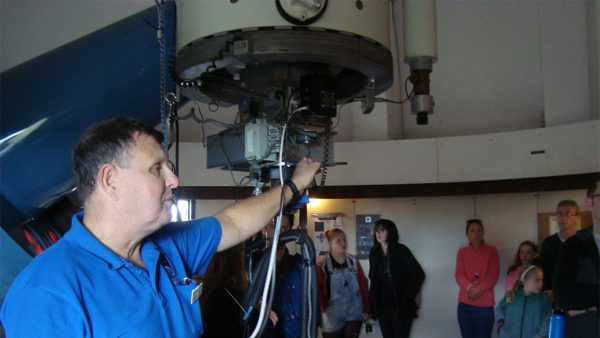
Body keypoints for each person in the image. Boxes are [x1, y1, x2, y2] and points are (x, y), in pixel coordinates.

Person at [0, 117, 320, 337]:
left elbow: (233, 222)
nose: (174, 180)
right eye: (157, 168)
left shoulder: (167, 247)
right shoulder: (46, 293)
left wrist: (294, 186)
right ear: (111, 181)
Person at [553, 177, 600, 338]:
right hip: (585, 330)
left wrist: (589, 304)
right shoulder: (574, 245)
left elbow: (576, 294)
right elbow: (563, 295)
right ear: (589, 202)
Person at [368, 218, 425, 338]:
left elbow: (419, 274)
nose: (378, 233)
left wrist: (407, 295)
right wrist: (371, 305)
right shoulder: (374, 252)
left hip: (401, 307)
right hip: (383, 307)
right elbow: (373, 278)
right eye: (376, 230)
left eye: (382, 230)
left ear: (390, 232)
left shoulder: (401, 250)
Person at [317, 228, 370, 338]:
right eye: (338, 241)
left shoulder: (353, 260)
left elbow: (363, 285)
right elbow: (317, 289)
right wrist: (322, 309)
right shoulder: (322, 263)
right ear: (330, 243)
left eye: (344, 240)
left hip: (355, 310)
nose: (343, 243)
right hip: (332, 314)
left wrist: (366, 307)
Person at [455, 219, 500, 338]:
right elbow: (459, 274)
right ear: (467, 234)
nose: (476, 234)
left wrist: (479, 288)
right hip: (465, 305)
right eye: (472, 231)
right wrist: (470, 287)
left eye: (479, 230)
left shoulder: (492, 251)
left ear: (483, 232)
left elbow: (493, 275)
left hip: (485, 306)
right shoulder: (462, 252)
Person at [539, 199, 580, 300]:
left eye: (568, 214)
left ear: (577, 218)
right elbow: (544, 270)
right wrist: (547, 290)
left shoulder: (583, 241)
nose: (563, 218)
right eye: (560, 214)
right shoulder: (548, 243)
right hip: (553, 294)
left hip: (578, 296)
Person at [495, 265, 552, 338]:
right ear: (524, 280)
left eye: (542, 280)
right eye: (537, 280)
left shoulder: (542, 300)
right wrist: (501, 326)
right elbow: (500, 309)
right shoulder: (512, 295)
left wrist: (540, 335)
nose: (541, 284)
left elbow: (548, 319)